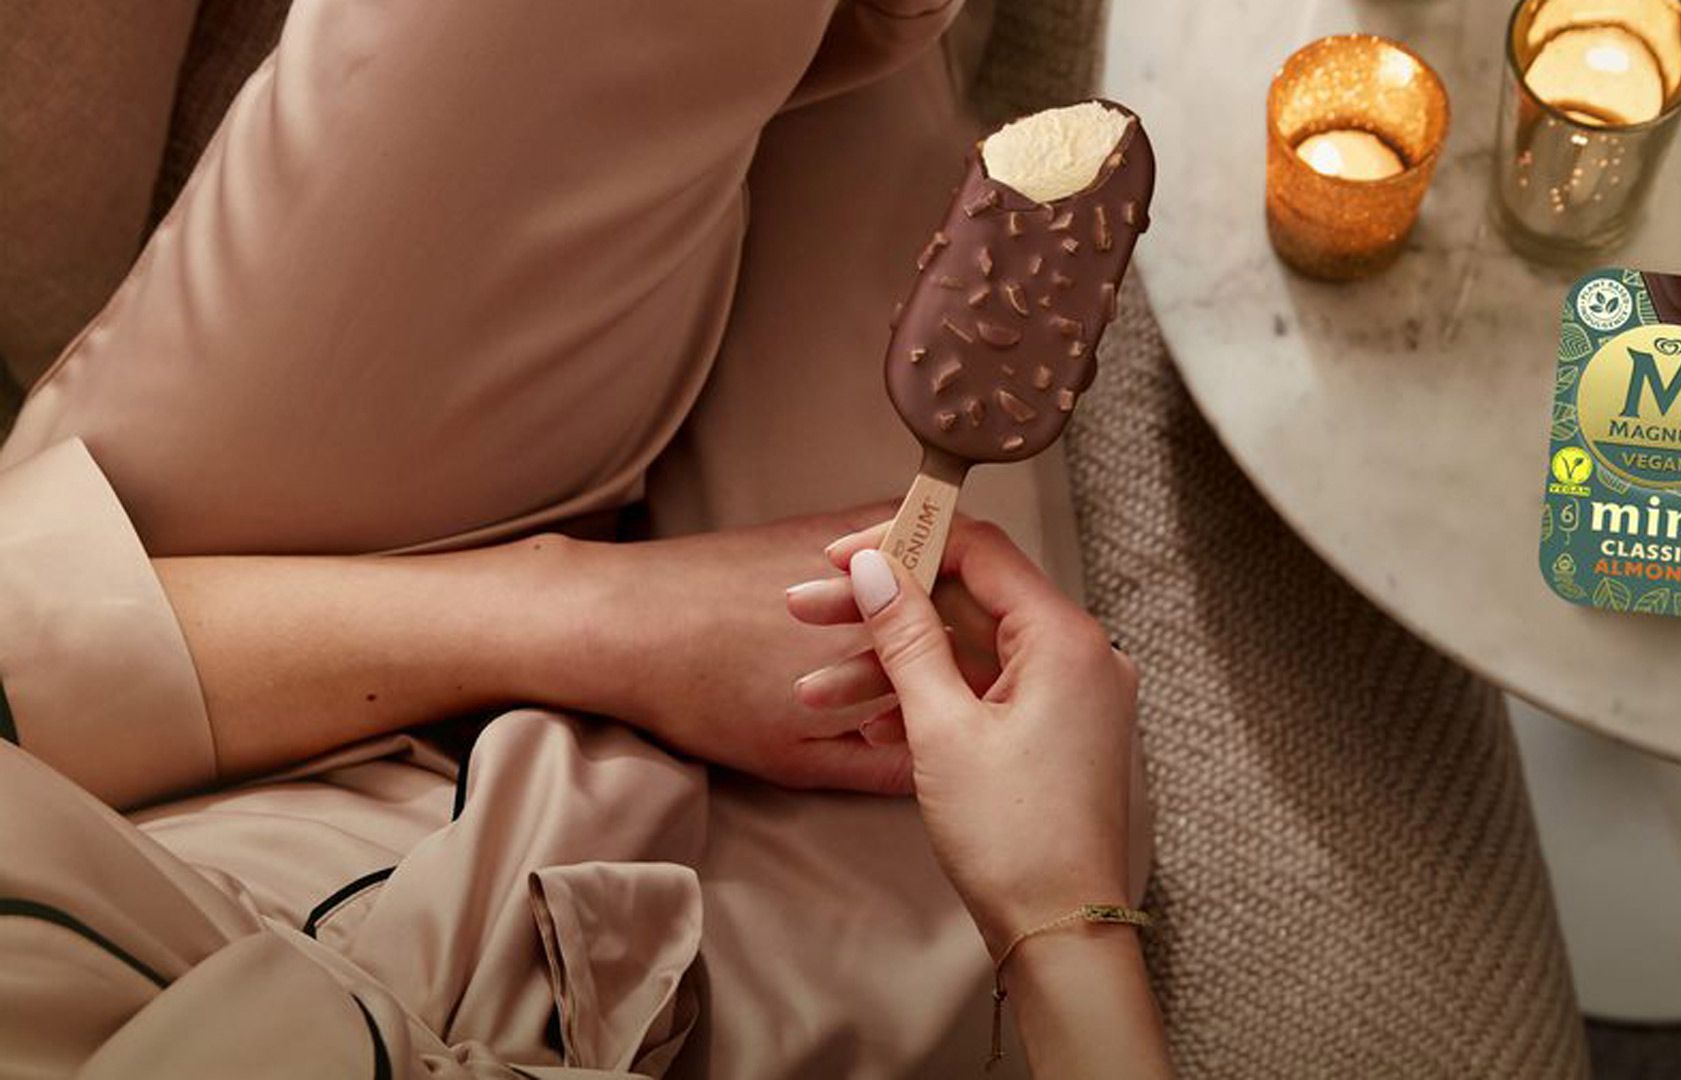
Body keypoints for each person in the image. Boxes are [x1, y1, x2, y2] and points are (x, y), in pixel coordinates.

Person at [0, 0, 1169, 1076]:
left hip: (166, 679)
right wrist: (1058, 921)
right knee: (1044, 723)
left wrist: (597, 613)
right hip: (721, 1005)